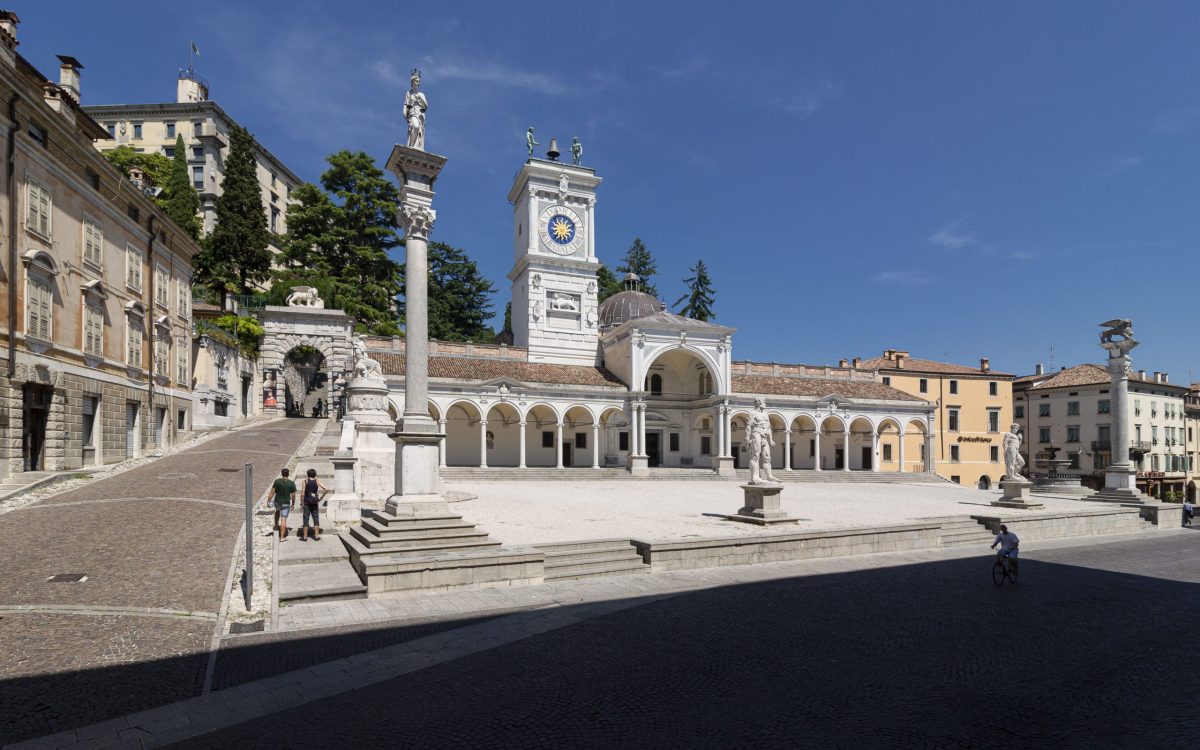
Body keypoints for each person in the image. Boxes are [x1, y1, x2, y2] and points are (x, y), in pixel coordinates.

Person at [267, 468, 297, 541]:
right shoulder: (291, 483)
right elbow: (293, 495)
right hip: (286, 503)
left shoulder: (277, 482)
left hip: (277, 502)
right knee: (283, 519)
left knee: (277, 511)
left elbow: (272, 492)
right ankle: (282, 537)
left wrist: (268, 500)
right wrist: (293, 504)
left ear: (282, 474)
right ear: (288, 474)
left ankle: (276, 525)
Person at [300, 468, 328, 541]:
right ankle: (316, 536)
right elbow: (326, 489)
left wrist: (301, 503)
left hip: (306, 503)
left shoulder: (305, 482)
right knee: (316, 519)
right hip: (315, 503)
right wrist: (321, 497)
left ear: (307, 474)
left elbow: (302, 493)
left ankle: (305, 537)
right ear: (315, 474)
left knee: (306, 519)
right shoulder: (317, 481)